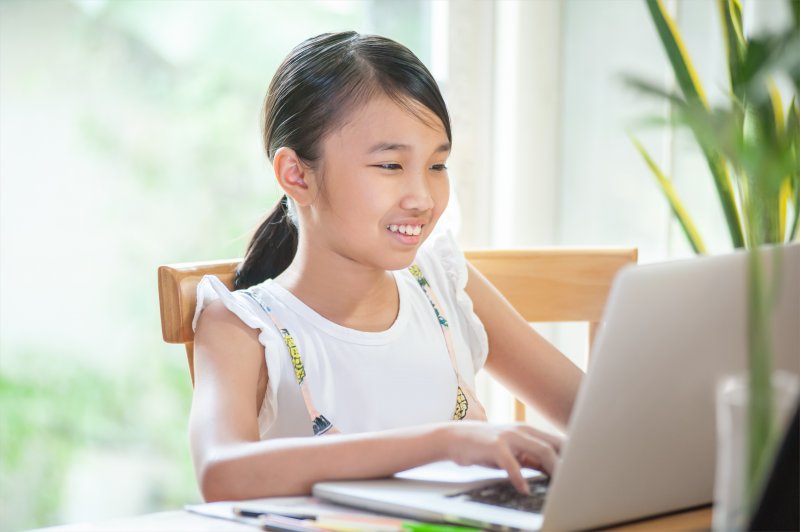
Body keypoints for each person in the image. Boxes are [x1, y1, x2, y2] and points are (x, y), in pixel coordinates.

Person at [190, 31, 583, 503]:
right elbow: (221, 474)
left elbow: (593, 414)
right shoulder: (244, 327)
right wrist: (443, 443)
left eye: (437, 166)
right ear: (296, 174)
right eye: (391, 166)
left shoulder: (445, 284)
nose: (422, 199)